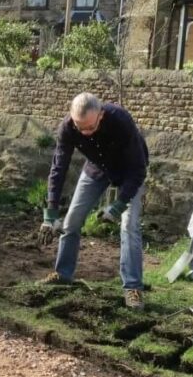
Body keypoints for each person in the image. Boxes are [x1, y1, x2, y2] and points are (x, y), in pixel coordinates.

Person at [37, 92, 149, 309]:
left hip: (129, 174)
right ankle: (62, 275)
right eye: (81, 128)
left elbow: (138, 169)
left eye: (90, 127)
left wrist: (118, 206)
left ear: (101, 115)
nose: (86, 133)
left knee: (129, 227)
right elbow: (59, 167)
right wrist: (50, 213)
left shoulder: (121, 120)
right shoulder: (68, 127)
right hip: (97, 170)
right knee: (71, 222)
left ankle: (133, 288)